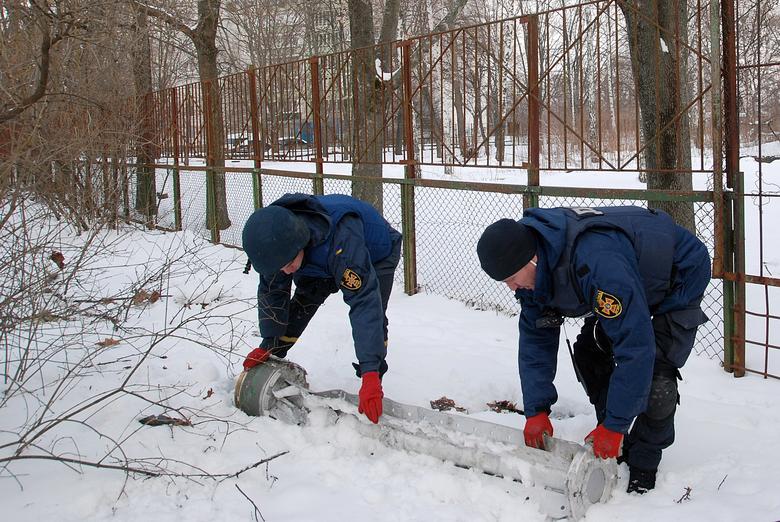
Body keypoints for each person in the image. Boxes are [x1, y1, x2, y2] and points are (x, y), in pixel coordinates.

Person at [476, 206, 710, 494]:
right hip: (629, 275)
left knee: (657, 381)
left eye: (512, 278)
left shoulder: (596, 264)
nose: (512, 288)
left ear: (533, 260)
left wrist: (617, 425)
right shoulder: (533, 270)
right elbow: (536, 340)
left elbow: (635, 347)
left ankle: (643, 464)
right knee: (590, 353)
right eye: (506, 283)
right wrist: (536, 410)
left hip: (678, 274)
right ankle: (612, 436)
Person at [241, 193, 402, 424]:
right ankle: (276, 352)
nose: (286, 272)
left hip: (376, 253)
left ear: (299, 244)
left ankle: (374, 379)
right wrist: (269, 343)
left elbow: (365, 304)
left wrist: (370, 373)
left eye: (288, 265)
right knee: (305, 299)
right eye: (281, 267)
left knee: (375, 311)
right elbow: (273, 294)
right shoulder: (276, 240)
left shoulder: (342, 242)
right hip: (319, 255)